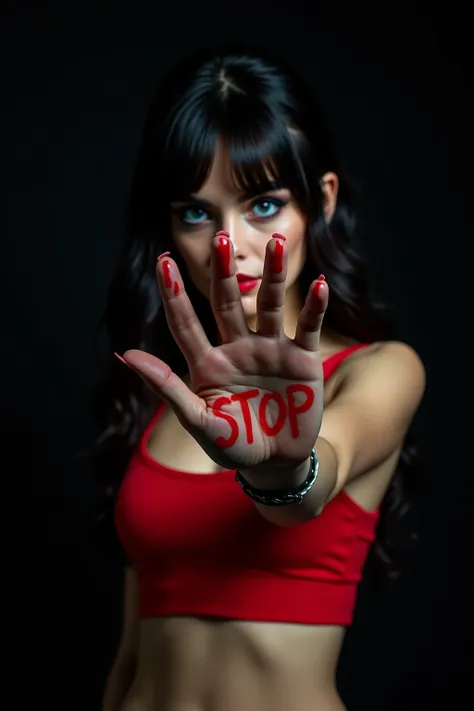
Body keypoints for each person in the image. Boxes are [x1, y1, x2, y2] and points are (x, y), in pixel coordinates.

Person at [89, 44, 426, 711]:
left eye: (263, 205)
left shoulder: (380, 371)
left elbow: (317, 475)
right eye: (195, 212)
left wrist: (279, 469)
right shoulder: (170, 394)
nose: (229, 244)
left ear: (321, 201)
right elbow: (130, 656)